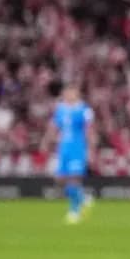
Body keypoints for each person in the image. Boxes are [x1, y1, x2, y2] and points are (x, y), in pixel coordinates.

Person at [50, 85, 94, 224]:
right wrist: (47, 141)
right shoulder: (61, 109)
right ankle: (83, 198)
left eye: (71, 93)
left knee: (74, 179)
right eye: (66, 93)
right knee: (60, 179)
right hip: (64, 147)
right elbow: (54, 126)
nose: (67, 95)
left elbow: (89, 129)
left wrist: (91, 149)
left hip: (78, 147)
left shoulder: (84, 109)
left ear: (77, 94)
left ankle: (74, 211)